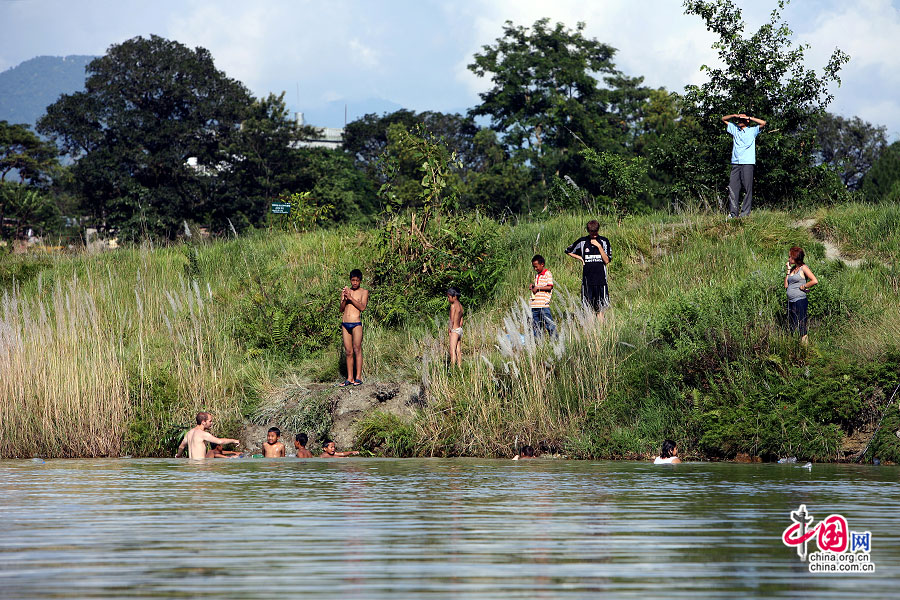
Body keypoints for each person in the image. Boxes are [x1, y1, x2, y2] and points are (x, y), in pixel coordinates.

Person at [721, 112, 767, 218]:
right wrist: (734, 116)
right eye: (739, 120)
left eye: (742, 120)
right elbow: (723, 119)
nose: (739, 121)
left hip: (747, 163)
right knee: (733, 188)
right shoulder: (735, 129)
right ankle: (733, 214)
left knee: (747, 188)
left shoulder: (752, 130)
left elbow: (763, 123)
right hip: (736, 162)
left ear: (747, 121)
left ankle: (745, 214)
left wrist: (749, 117)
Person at [565, 220, 612, 320]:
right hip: (587, 282)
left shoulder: (604, 241)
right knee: (588, 309)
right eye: (591, 232)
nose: (594, 234)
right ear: (588, 231)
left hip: (601, 281)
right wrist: (580, 258)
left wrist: (599, 246)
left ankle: (600, 332)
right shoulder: (582, 241)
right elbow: (568, 250)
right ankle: (591, 331)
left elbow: (607, 260)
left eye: (595, 232)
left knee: (600, 308)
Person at [339, 268, 369, 387]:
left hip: (356, 323)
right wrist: (345, 299)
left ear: (360, 280)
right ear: (350, 280)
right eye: (352, 280)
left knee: (357, 349)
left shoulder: (364, 292)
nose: (354, 283)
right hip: (345, 323)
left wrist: (351, 298)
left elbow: (362, 307)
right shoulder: (346, 291)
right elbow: (341, 309)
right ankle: (349, 378)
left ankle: (358, 377)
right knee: (348, 351)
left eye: (357, 280)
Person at [785, 246, 818, 345]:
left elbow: (814, 280)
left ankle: (805, 349)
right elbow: (786, 285)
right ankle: (796, 348)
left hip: (799, 300)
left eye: (790, 257)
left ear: (795, 258)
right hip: (791, 301)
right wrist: (788, 270)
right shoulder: (793, 269)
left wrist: (804, 286)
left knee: (801, 326)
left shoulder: (804, 268)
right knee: (792, 326)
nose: (788, 259)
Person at [175, 411, 241, 459]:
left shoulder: (189, 433)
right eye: (210, 421)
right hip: (200, 468)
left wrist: (178, 455)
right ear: (203, 422)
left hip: (192, 467)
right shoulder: (203, 434)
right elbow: (220, 441)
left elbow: (181, 446)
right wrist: (234, 441)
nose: (211, 423)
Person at [529, 255, 557, 338]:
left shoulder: (547, 273)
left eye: (536, 267)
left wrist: (537, 288)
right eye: (534, 267)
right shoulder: (537, 276)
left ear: (542, 264)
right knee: (536, 327)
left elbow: (550, 287)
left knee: (549, 325)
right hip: (534, 305)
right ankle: (538, 344)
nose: (535, 269)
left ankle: (555, 341)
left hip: (543, 305)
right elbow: (538, 288)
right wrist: (533, 287)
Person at [447, 288, 464, 367]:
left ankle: (453, 371)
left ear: (454, 297)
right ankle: (460, 369)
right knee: (458, 351)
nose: (448, 299)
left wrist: (450, 330)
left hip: (454, 330)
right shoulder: (460, 306)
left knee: (452, 351)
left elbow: (451, 320)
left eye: (449, 297)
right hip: (460, 330)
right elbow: (461, 321)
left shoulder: (453, 306)